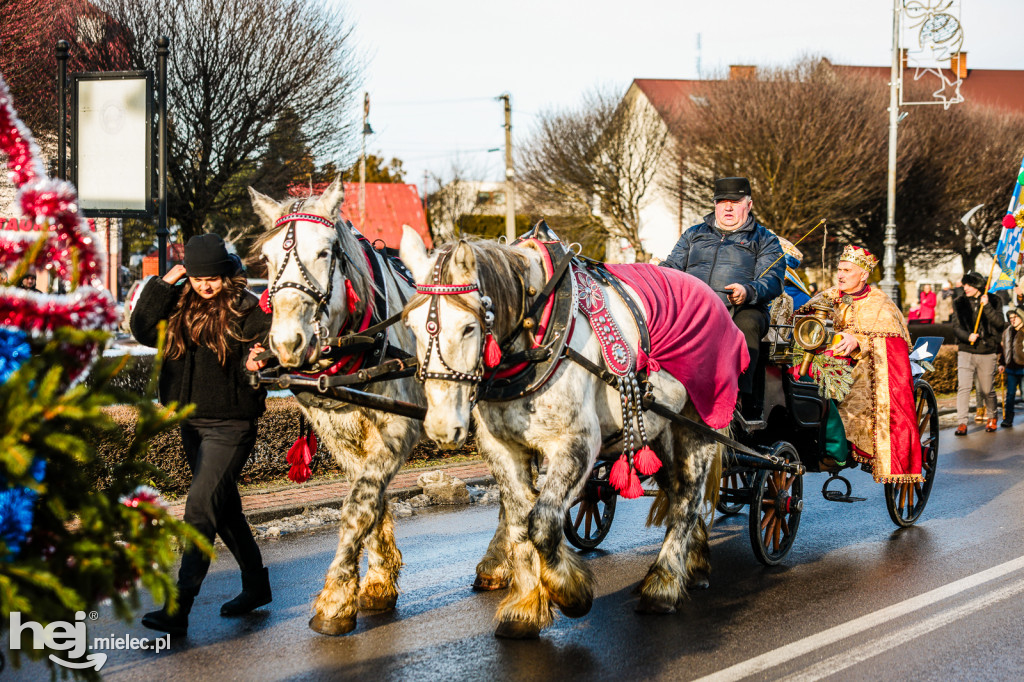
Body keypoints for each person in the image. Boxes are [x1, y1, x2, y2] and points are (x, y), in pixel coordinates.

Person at [130, 233, 273, 636]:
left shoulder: (247, 307)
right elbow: (141, 328)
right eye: (197, 278)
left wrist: (263, 355)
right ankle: (256, 587)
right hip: (191, 422)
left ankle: (179, 606)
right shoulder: (178, 304)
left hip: (232, 424)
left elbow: (272, 341)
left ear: (225, 274)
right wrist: (166, 281)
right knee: (223, 510)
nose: (206, 285)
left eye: (212, 277)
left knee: (199, 507)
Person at [795, 245, 922, 483]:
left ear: (863, 275)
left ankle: (839, 446)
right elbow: (803, 321)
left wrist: (858, 341)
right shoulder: (829, 295)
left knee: (836, 384)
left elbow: (891, 344)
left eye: (847, 270)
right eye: (839, 269)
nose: (840, 275)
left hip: (860, 366)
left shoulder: (881, 304)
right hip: (822, 358)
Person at [661, 176, 785, 416]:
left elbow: (773, 280)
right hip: (693, 308)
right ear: (715, 204)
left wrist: (748, 291)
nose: (728, 207)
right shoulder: (693, 234)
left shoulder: (765, 239)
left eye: (735, 201)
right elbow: (672, 266)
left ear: (748, 205)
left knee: (747, 323)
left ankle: (739, 400)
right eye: (722, 201)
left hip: (740, 307)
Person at [952, 271, 1006, 435]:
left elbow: (999, 324)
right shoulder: (959, 302)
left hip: (987, 351)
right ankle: (962, 422)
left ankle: (992, 417)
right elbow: (955, 327)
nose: (965, 287)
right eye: (964, 284)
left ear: (977, 286)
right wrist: (967, 336)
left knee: (987, 389)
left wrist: (987, 306)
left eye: (968, 284)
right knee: (964, 387)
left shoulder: (995, 300)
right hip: (966, 351)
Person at [999, 307, 1024, 427]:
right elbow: (1004, 349)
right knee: (1010, 395)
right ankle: (1008, 418)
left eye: (1015, 317)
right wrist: (1002, 363)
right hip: (1011, 368)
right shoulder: (1007, 331)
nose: (1012, 320)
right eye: (1010, 318)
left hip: (1023, 367)